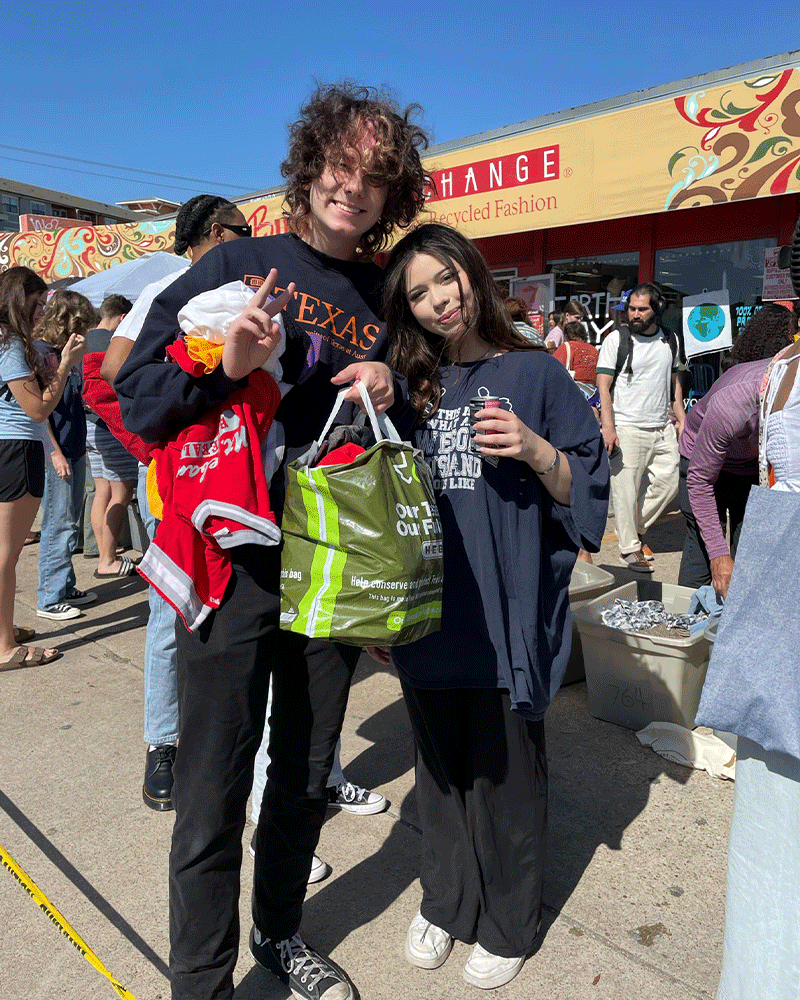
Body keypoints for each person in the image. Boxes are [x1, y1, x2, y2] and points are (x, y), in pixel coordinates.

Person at [115, 82, 430, 1000]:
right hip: (235, 560)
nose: (353, 188)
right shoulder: (238, 262)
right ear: (310, 166)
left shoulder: (386, 291)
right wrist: (227, 364)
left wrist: (392, 381)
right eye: (341, 166)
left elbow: (418, 403)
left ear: (392, 193)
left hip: (337, 564)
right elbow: (137, 394)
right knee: (212, 785)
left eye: (376, 177)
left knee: (301, 773)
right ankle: (202, 982)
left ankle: (279, 933)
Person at [375, 223, 608, 990]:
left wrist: (537, 450)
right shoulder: (413, 387)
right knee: (438, 773)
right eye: (419, 293)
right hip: (430, 614)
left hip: (505, 613)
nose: (440, 300)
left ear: (473, 275)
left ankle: (510, 918)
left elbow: (587, 491)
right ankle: (444, 901)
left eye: (447, 279)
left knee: (507, 772)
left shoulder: (535, 373)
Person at [100, 195, 248, 812]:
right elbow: (113, 368)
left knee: (250, 615)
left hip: (249, 475)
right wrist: (185, 397)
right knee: (169, 613)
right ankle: (163, 743)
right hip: (184, 475)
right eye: (242, 231)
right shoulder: (166, 286)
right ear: (217, 233)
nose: (249, 240)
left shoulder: (247, 285)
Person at [695, 333, 800, 1000]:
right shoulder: (758, 383)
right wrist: (722, 558)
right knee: (776, 846)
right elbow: (699, 476)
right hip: (780, 604)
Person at [0, 267, 87, 668]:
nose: (41, 312)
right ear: (20, 301)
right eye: (36, 304)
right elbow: (37, 408)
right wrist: (66, 364)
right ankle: (5, 648)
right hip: (16, 449)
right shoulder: (11, 346)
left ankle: (2, 628)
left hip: (12, 447)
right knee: (6, 554)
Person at [677, 303, 795, 595]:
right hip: (700, 465)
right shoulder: (734, 403)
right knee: (705, 552)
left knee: (749, 553)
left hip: (748, 467)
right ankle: (689, 628)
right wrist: (719, 557)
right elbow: (700, 481)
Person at [596, 283, 685, 572]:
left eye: (641, 309)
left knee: (669, 484)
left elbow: (675, 383)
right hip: (627, 427)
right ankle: (629, 548)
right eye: (631, 309)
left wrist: (681, 415)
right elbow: (603, 385)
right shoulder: (616, 340)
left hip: (661, 426)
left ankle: (631, 528)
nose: (634, 314)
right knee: (625, 490)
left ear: (656, 309)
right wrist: (609, 427)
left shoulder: (670, 340)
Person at [32, 290, 99, 620]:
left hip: (71, 448)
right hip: (56, 453)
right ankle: (49, 595)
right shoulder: (41, 354)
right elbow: (36, 411)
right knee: (58, 525)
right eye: (81, 327)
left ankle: (63, 584)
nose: (84, 335)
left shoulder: (61, 354)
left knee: (67, 523)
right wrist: (55, 452)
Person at [84, 295, 139, 579]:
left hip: (90, 426)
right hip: (109, 426)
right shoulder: (113, 342)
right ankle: (107, 558)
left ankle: (105, 551)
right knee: (121, 492)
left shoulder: (82, 338)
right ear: (121, 318)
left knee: (101, 490)